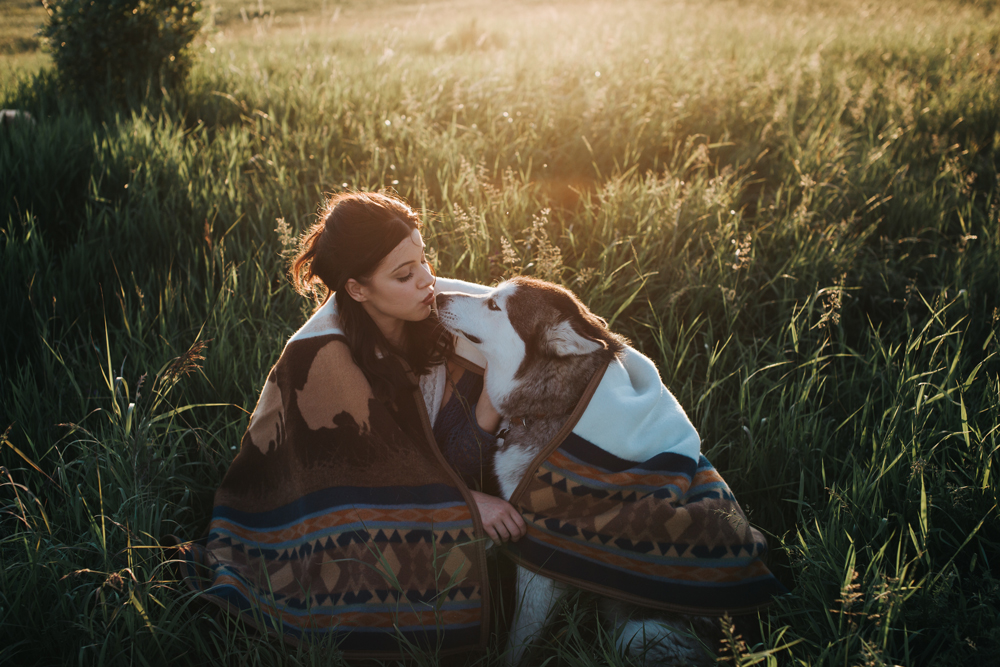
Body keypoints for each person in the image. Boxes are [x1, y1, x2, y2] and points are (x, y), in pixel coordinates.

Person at [178, 192, 521, 658]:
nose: (428, 281)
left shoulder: (448, 316)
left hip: (441, 480)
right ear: (358, 290)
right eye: (404, 274)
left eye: (424, 260)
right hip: (354, 495)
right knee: (364, 562)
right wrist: (465, 503)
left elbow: (471, 432)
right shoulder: (319, 358)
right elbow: (356, 483)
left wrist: (497, 391)